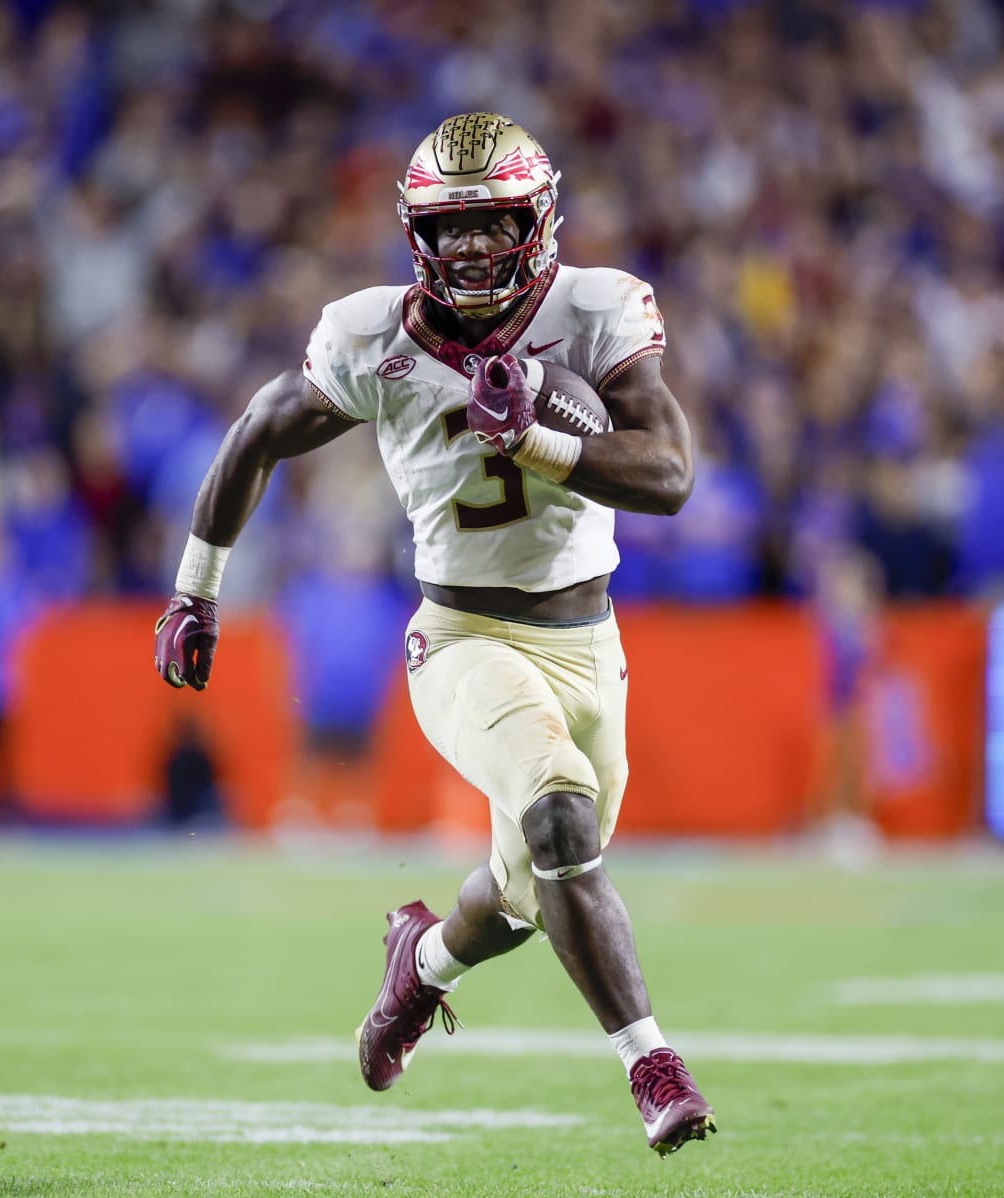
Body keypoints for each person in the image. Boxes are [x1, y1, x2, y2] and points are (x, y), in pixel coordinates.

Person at [153, 113, 715, 1155]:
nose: (468, 248)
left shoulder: (594, 311)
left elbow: (670, 475)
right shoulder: (379, 338)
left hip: (591, 644)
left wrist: (543, 428)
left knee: (524, 893)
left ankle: (419, 968)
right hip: (461, 637)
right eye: (448, 228)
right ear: (414, 233)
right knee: (558, 819)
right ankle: (653, 1065)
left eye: (490, 222)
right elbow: (260, 431)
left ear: (535, 221)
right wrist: (197, 589)